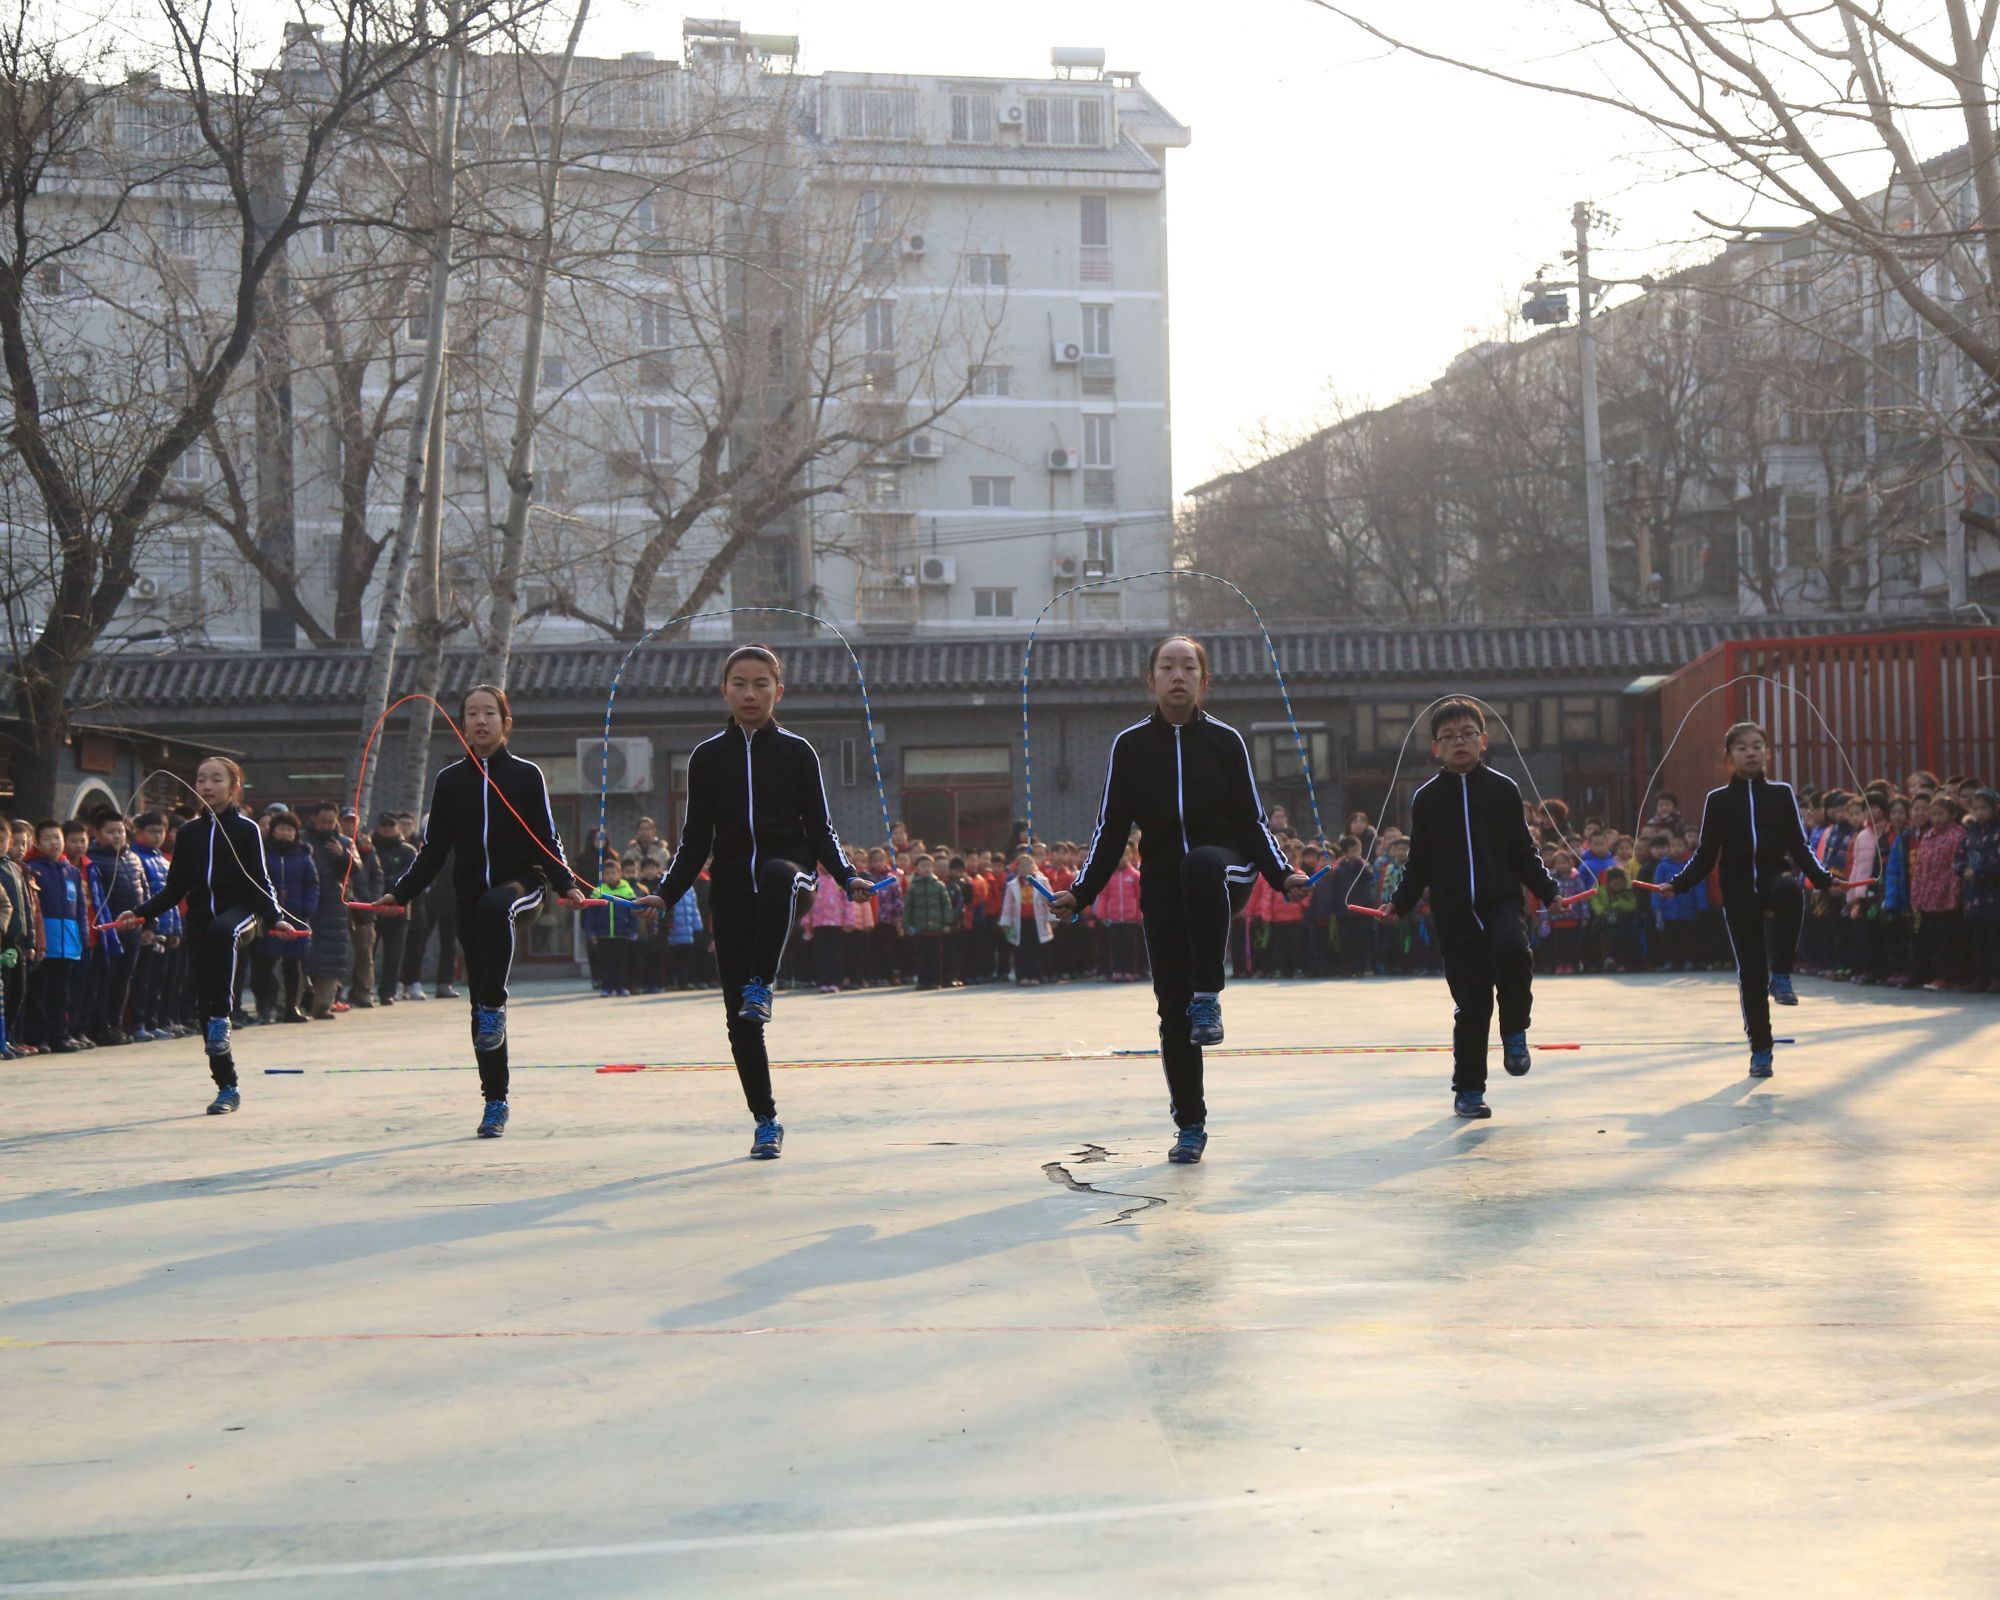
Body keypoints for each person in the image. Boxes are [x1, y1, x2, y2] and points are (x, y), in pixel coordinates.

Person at [1051, 635, 1308, 1164]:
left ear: (1203, 680)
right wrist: (1080, 893)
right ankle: (1190, 1125)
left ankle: (1210, 992)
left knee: (1202, 865)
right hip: (1163, 884)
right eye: (1167, 666)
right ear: (1151, 679)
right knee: (1172, 1012)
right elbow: (1110, 828)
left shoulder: (1226, 742)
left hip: (1226, 868)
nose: (1177, 675)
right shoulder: (1130, 746)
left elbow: (1252, 820)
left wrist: (1282, 875)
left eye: (1188, 667)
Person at [633, 646, 876, 1160]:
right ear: (724, 690)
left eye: (761, 683)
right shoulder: (706, 758)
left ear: (778, 691)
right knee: (739, 1020)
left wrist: (848, 875)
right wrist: (666, 893)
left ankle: (763, 982)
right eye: (739, 683)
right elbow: (694, 839)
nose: (750, 693)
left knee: (776, 875)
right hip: (733, 896)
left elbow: (822, 828)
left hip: (793, 879)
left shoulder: (797, 752)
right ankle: (766, 1120)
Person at [380, 685, 586, 1138]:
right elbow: (433, 853)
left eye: (489, 713)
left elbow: (546, 839)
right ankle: (495, 1102)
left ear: (506, 722)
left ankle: (496, 1002)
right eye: (471, 713)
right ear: (462, 725)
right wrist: (400, 893)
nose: (479, 721)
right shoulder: (450, 781)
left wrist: (565, 883)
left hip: (523, 886)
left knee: (497, 915)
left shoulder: (527, 776)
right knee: (478, 1003)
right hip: (469, 898)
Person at [1384, 700, 1562, 1120]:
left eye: (1467, 734)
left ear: (1483, 740)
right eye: (1448, 737)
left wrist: (1548, 890)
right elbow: (1420, 863)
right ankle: (1468, 1090)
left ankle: (1515, 1029)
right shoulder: (1426, 799)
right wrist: (1401, 901)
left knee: (1513, 952)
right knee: (1471, 1002)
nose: (1458, 742)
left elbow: (1523, 852)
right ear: (1435, 749)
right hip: (1454, 913)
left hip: (1501, 901)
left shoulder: (1503, 789)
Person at [1662, 722, 1844, 1077]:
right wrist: (1678, 884)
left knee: (1791, 890)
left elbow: (1799, 845)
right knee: (1750, 972)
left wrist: (1824, 879)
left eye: (1758, 746)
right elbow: (1705, 854)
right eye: (1743, 747)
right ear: (1729, 757)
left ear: (1767, 753)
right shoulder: (1718, 801)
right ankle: (1761, 1049)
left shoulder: (1781, 794)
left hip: (1776, 876)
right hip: (1739, 889)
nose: (1751, 752)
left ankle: (1783, 971)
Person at [108, 757, 290, 1112]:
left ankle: (224, 1015)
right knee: (203, 1001)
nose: (206, 785)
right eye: (201, 778)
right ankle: (227, 1087)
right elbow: (174, 889)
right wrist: (140, 913)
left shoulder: (246, 829)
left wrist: (276, 917)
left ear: (233, 787)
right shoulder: (189, 833)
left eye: (216, 779)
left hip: (241, 915)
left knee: (223, 934)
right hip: (200, 922)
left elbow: (260, 881)